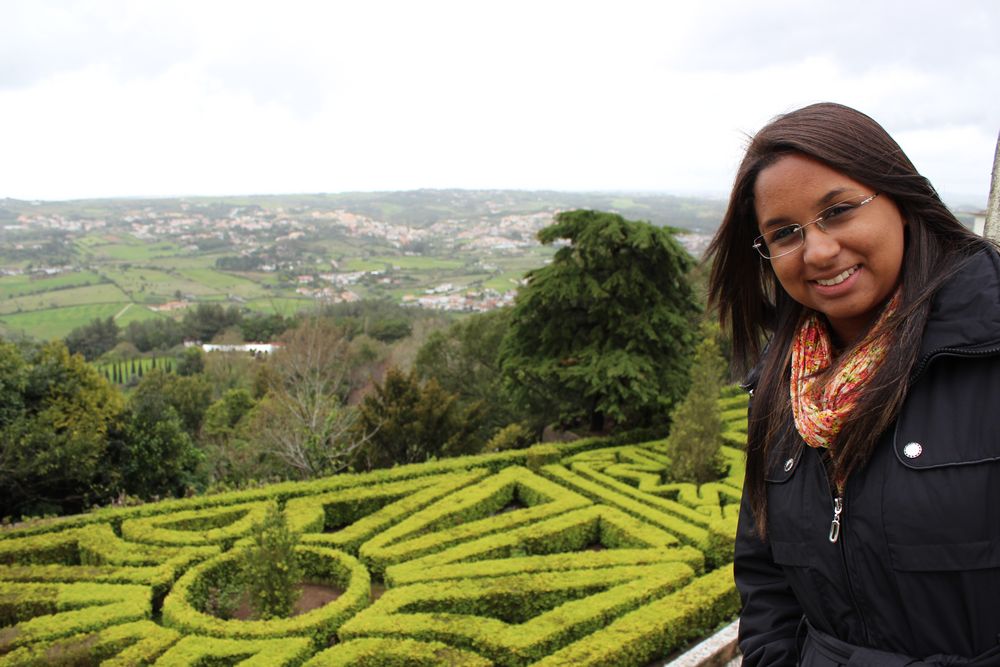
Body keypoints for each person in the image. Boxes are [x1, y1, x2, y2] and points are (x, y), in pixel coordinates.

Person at [706, 102, 1000, 666]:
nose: (817, 250)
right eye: (785, 233)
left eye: (838, 211)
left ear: (903, 202)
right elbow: (765, 576)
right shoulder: (782, 385)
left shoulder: (987, 351)